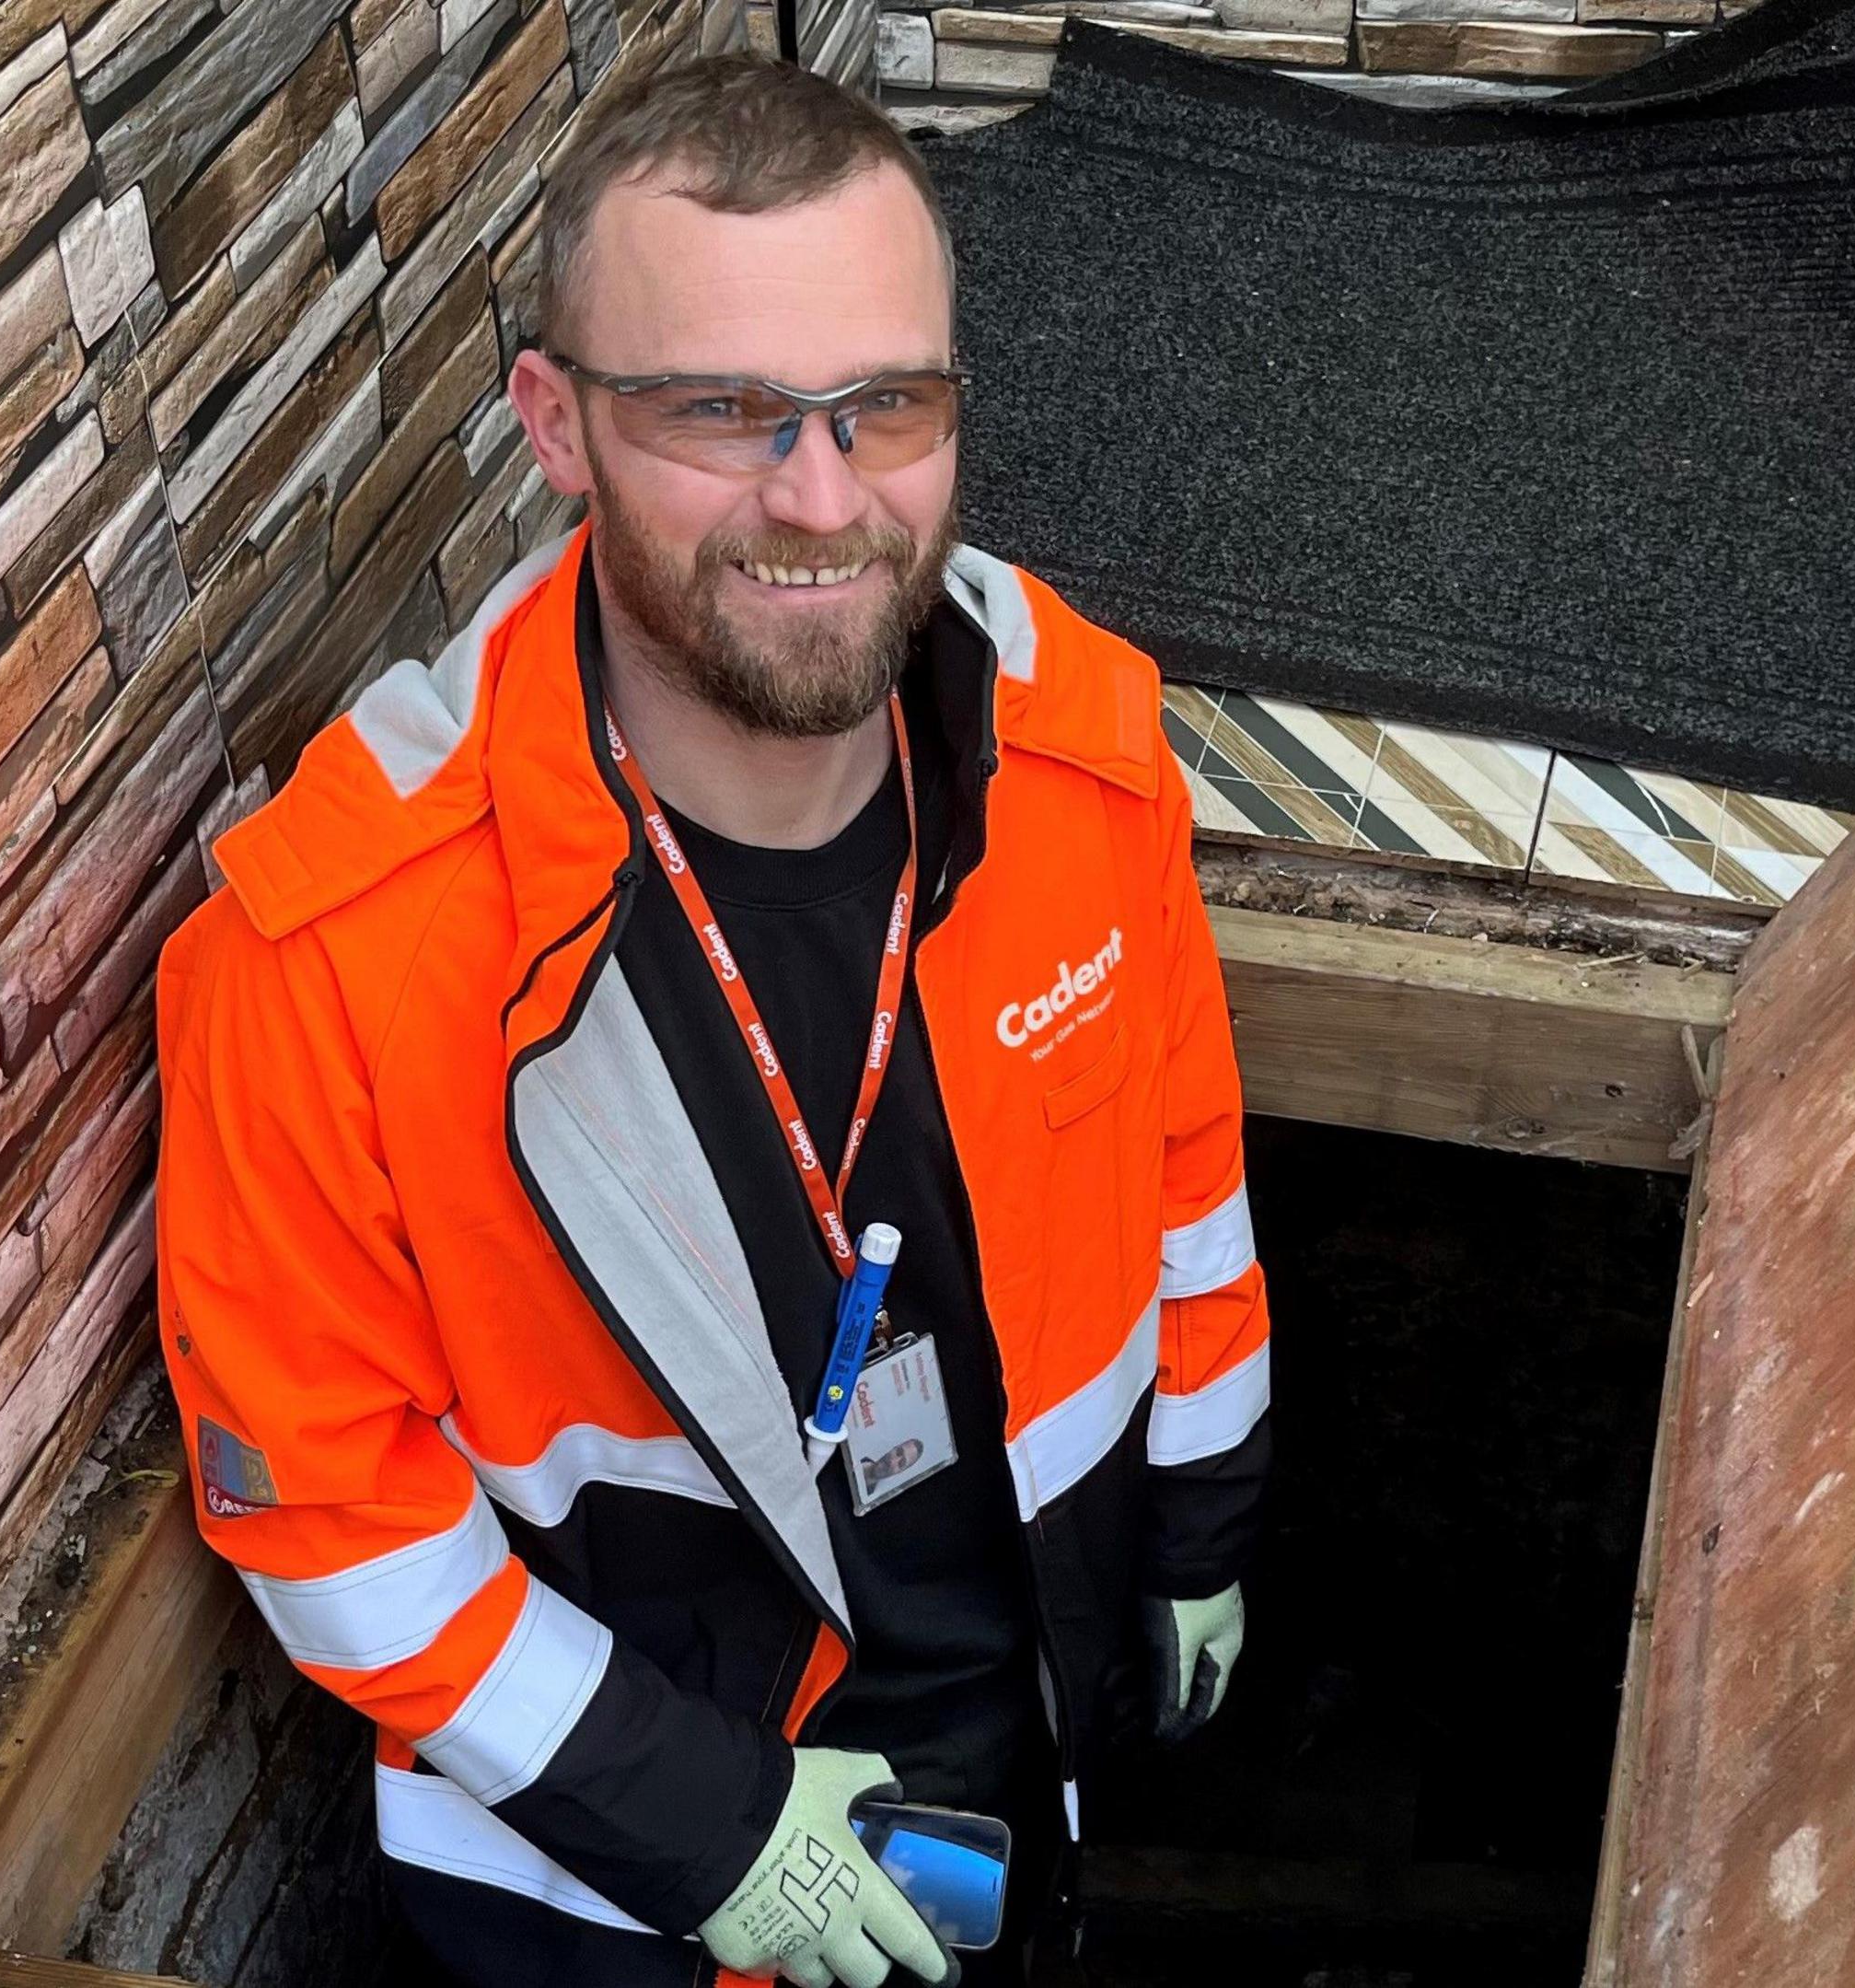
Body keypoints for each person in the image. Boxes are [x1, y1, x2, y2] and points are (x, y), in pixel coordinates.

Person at [150, 53, 1271, 1988]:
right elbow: (326, 1511)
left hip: (1026, 1775)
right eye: (724, 414)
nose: (821, 498)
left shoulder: (1082, 756)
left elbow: (1184, 1170)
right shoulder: (326, 960)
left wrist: (1202, 1512)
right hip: (617, 1895)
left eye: (885, 407)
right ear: (557, 427)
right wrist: (698, 1821)